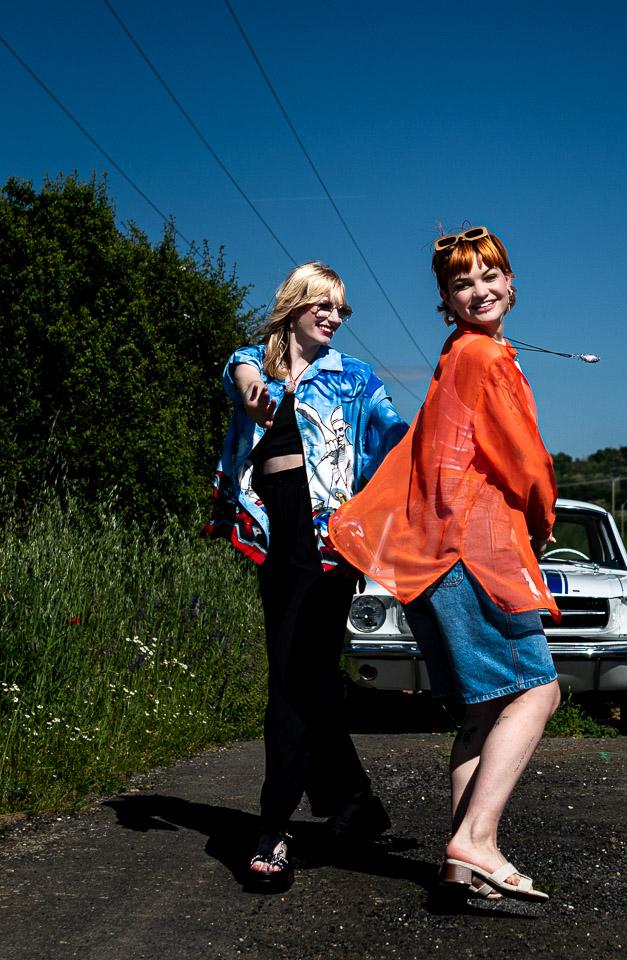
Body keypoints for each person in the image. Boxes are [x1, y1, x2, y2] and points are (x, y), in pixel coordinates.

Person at [329, 226, 561, 902]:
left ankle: (458, 871)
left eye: (489, 276)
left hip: (433, 560)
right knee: (538, 690)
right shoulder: (485, 357)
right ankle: (476, 840)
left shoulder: (452, 357)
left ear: (510, 282)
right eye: (463, 283)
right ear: (446, 300)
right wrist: (542, 523)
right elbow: (526, 464)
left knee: (485, 710)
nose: (480, 290)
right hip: (475, 552)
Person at [206, 261, 408, 893]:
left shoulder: (355, 378)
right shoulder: (252, 363)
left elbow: (395, 435)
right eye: (323, 304)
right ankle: (355, 799)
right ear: (294, 304)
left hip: (327, 541)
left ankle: (272, 827)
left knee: (290, 679)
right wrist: (252, 390)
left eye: (341, 309)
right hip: (273, 533)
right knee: (312, 675)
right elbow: (242, 373)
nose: (333, 316)